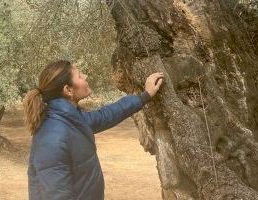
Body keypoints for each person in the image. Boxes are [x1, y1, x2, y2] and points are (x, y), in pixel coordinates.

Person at [23, 60, 164, 200]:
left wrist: (145, 96)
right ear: (68, 90)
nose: (85, 76)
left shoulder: (72, 119)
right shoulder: (52, 138)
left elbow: (107, 115)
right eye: (79, 76)